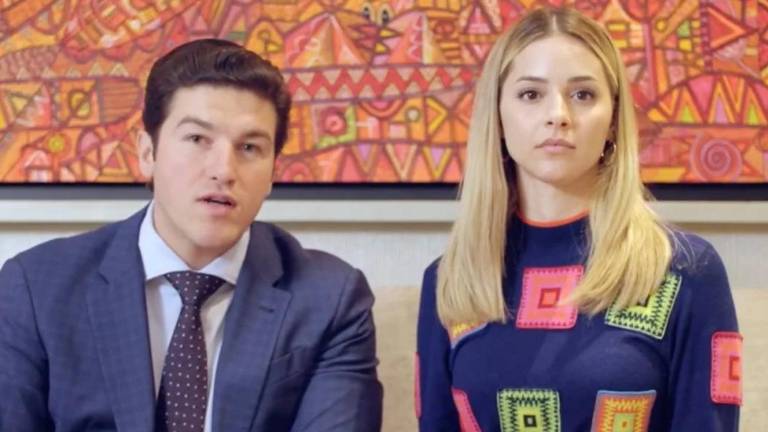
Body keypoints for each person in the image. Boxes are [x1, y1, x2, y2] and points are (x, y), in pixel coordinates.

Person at [0, 38, 382, 432]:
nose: (224, 170)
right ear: (147, 153)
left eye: (249, 147)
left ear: (273, 173)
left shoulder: (328, 298)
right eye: (198, 139)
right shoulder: (37, 289)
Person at [415, 7, 740, 431]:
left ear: (613, 120)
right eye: (531, 94)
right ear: (497, 117)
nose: (558, 115)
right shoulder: (450, 279)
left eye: (583, 94)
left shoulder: (683, 271)